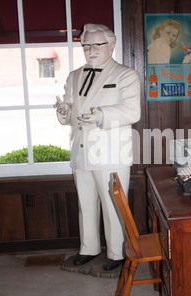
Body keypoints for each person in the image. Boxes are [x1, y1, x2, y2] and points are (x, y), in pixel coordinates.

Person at [54, 23, 141, 271]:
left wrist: (101, 115)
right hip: (81, 151)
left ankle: (117, 252)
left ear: (111, 46)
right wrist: (65, 111)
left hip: (111, 152)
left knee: (114, 206)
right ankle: (88, 248)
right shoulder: (74, 76)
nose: (91, 49)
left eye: (97, 44)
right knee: (86, 203)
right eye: (86, 45)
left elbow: (132, 111)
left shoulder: (125, 75)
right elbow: (71, 111)